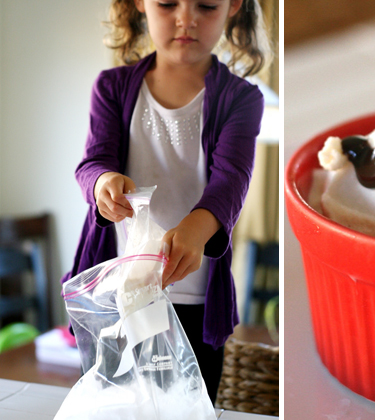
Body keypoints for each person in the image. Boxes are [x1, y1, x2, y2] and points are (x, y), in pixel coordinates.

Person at [61, 0, 270, 404]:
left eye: (207, 5)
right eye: (168, 3)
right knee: (111, 407)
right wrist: (103, 182)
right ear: (140, 3)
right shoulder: (112, 87)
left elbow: (231, 181)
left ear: (234, 6)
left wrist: (196, 229)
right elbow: (93, 162)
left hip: (195, 299)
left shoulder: (242, 100)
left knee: (189, 406)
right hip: (116, 298)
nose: (186, 18)